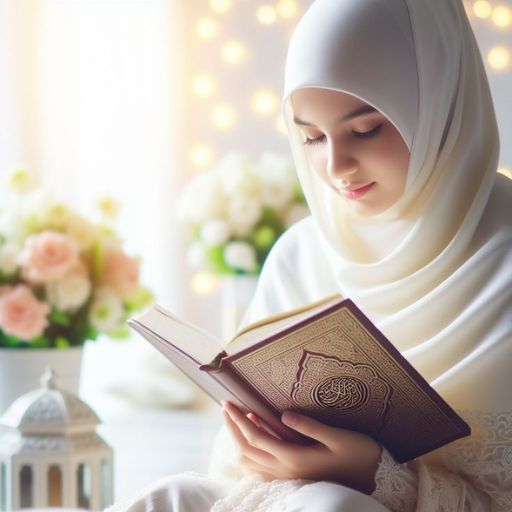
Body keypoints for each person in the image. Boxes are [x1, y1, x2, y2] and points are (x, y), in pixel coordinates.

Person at [106, 0, 512, 510]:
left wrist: (370, 473)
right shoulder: (301, 251)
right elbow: (240, 471)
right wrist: (264, 445)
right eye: (312, 138)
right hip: (290, 497)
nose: (337, 166)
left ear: (439, 106)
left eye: (366, 129)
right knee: (171, 496)